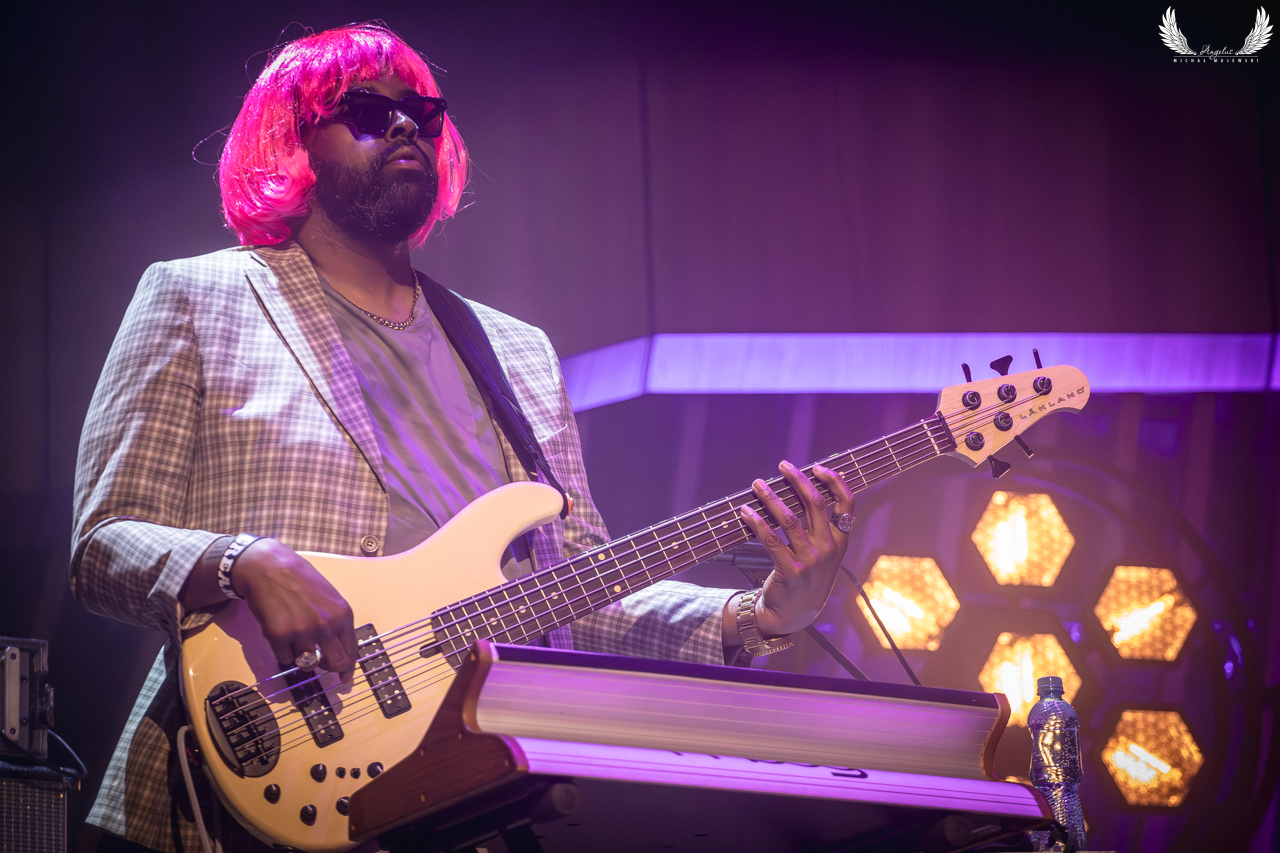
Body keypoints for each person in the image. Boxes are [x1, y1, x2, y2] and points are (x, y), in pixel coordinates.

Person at [72, 23, 855, 853]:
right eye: (366, 111)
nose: (404, 125)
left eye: (423, 112)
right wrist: (245, 562)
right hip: (238, 784)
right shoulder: (197, 298)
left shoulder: (517, 353)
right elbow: (100, 545)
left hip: (461, 805)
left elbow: (578, 598)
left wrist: (760, 612)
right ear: (292, 140)